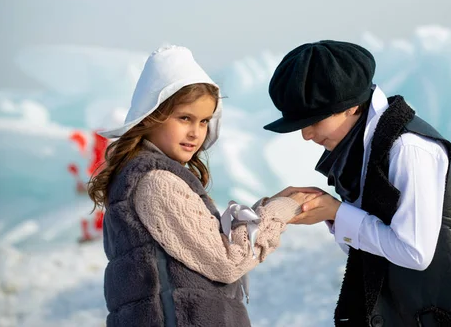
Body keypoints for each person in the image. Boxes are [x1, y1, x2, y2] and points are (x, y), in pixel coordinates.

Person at [264, 40, 451, 327]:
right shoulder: (364, 146)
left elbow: (413, 252)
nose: (305, 135)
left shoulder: (408, 148)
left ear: (351, 107)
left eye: (313, 120)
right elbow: (373, 251)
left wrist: (337, 212)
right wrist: (329, 212)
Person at [89, 45, 319, 327]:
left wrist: (264, 209)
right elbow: (227, 261)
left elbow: (208, 243)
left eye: (204, 121)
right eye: (184, 118)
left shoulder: (150, 176)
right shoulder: (157, 183)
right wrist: (279, 212)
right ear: (151, 116)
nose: (196, 132)